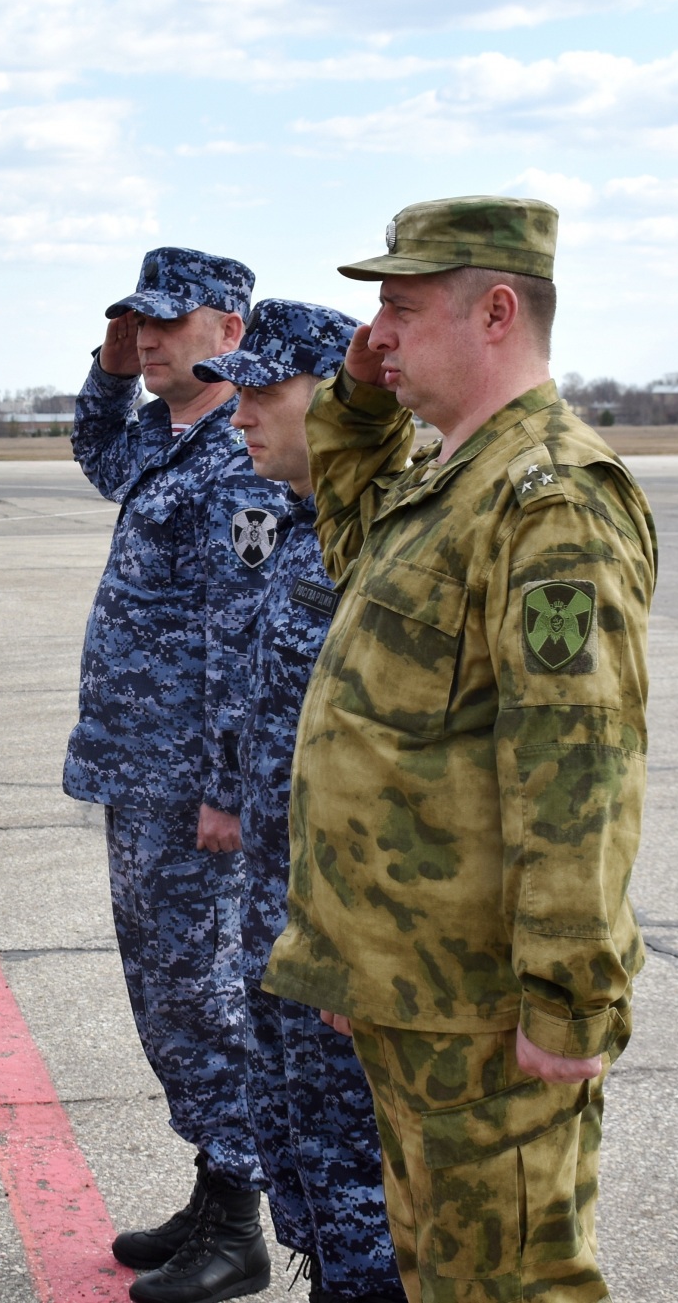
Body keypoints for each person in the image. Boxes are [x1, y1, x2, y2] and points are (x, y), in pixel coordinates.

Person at [262, 197, 656, 1303]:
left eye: (400, 302)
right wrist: (354, 394)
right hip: (413, 989)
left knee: (515, 1286)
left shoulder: (554, 501)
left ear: (496, 311)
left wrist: (568, 999)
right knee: (443, 1277)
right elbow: (342, 510)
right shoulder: (448, 483)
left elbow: (576, 765)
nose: (378, 329)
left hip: (486, 1010)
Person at [65, 247, 286, 1303]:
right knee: (163, 990)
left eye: (167, 322)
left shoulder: (240, 455)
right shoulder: (165, 434)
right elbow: (98, 456)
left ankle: (240, 1219)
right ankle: (213, 1185)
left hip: (193, 782)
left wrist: (228, 789)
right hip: (136, 765)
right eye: (135, 323)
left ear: (230, 332)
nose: (148, 339)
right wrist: (109, 371)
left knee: (203, 994)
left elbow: (245, 636)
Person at [195, 301, 407, 1303]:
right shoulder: (296, 529)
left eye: (265, 389)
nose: (238, 411)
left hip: (349, 944)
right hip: (286, 922)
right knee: (308, 1178)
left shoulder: (393, 543)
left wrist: (360, 947)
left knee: (365, 1197)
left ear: (340, 394)